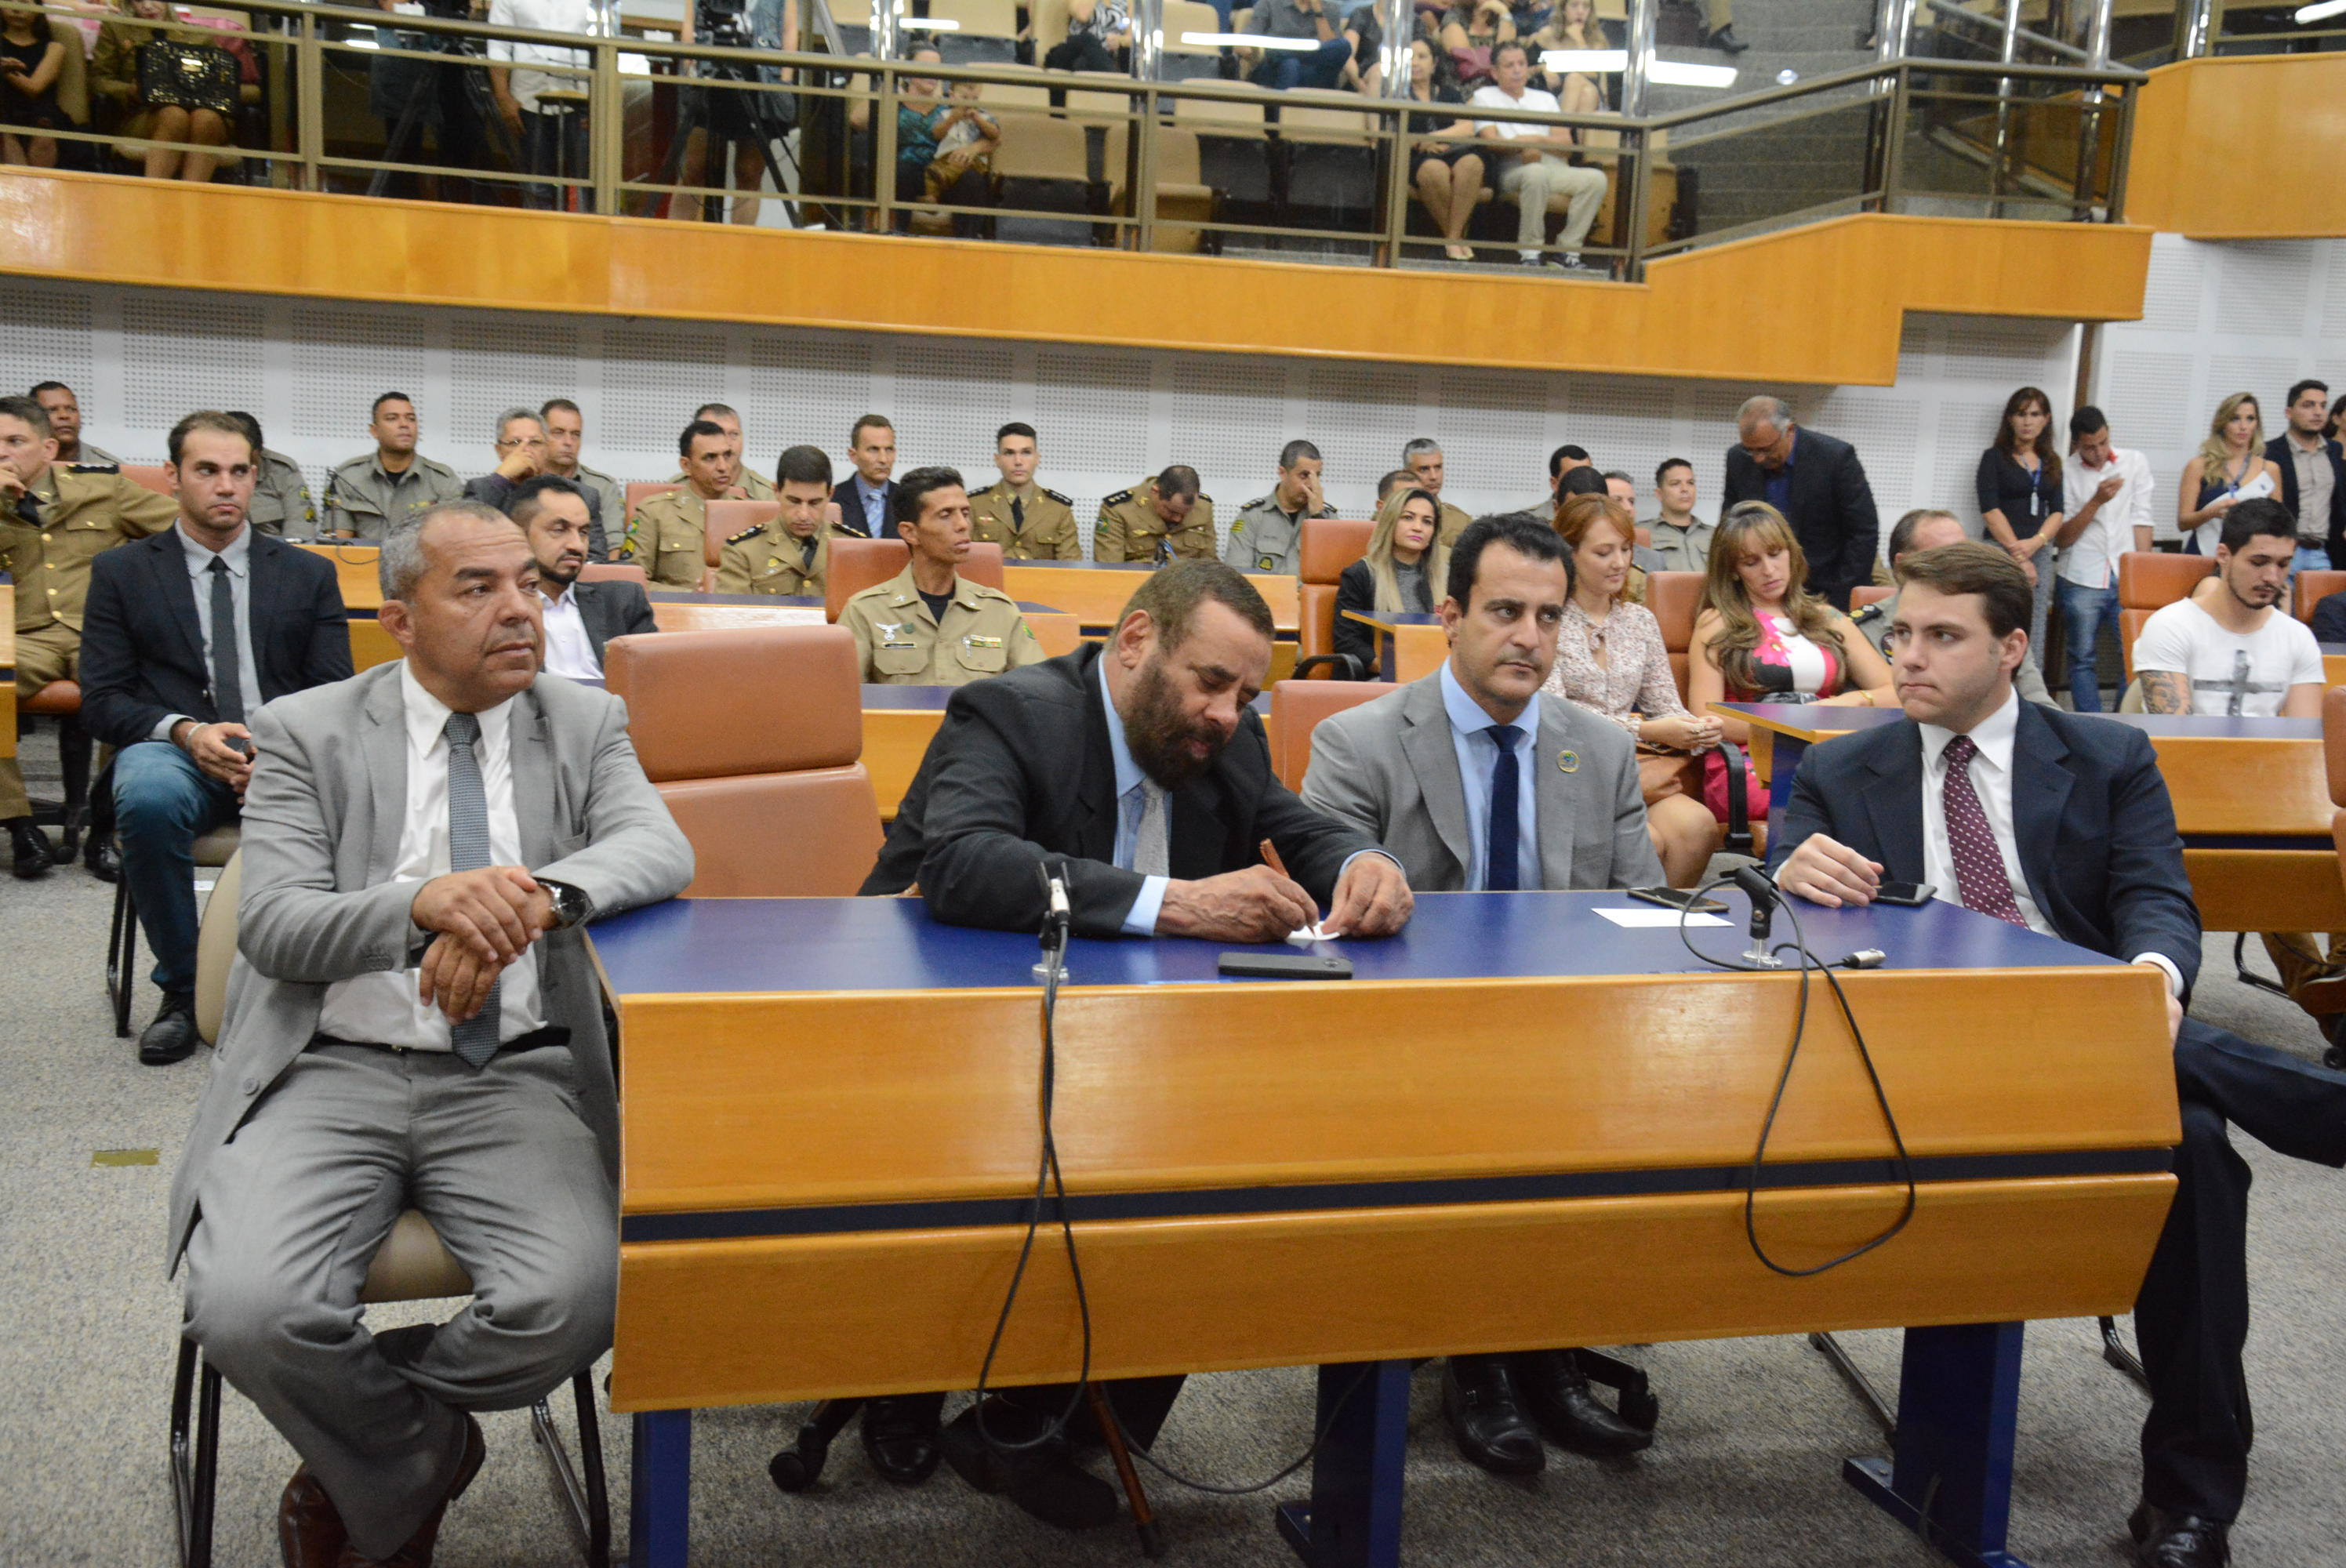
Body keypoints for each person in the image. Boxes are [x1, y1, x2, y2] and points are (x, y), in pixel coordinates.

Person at [1767, 539, 2346, 1568]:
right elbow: (1770, 915)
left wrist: (2153, 981)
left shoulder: (2108, 756)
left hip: (2089, 1043)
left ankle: (2190, 1501)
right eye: (1901, 634)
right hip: (1921, 1053)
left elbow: (2156, 897)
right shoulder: (1841, 768)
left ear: (2010, 648)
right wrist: (1788, 875)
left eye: (1942, 636)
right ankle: (2319, 1107)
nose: (1908, 656)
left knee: (2196, 1151)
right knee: (2177, 1101)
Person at [171, 499, 693, 1568]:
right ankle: (421, 1452)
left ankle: (373, 1439)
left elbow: (658, 848)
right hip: (330, 1069)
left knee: (581, 1298)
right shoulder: (306, 729)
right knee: (247, 1310)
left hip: (516, 1077)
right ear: (400, 619)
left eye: (529, 586)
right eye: (479, 588)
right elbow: (275, 924)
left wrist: (532, 897)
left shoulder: (584, 720)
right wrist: (423, 906)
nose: (522, 610)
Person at [860, 559, 1408, 1530]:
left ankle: (1042, 1422)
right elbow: (964, 863)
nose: (1226, 713)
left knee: (1234, 1171)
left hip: (1124, 1047)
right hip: (944, 1034)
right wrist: (1177, 902)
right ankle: (907, 1378)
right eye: (1210, 681)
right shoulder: (1011, 713)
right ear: (1135, 642)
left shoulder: (1222, 738)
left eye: (1245, 694)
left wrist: (1363, 862)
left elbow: (1293, 824)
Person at [1302, 512, 1661, 1479]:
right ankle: (1483, 1360)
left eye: (1548, 616)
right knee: (1480, 1107)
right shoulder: (1357, 741)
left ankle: (1541, 1345)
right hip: (1411, 1043)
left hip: (1563, 1036)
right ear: (1451, 615)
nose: (1529, 637)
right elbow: (1328, 901)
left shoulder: (1601, 748)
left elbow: (1640, 915)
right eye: (1505, 612)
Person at [77, 412, 352, 1064]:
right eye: (207, 470)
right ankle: (184, 989)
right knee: (145, 795)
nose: (225, 486)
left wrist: (279, 756)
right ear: (173, 477)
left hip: (283, 755)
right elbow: (103, 701)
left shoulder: (308, 574)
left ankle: (313, 987)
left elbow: (335, 693)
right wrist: (186, 731)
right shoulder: (122, 572)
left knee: (370, 790)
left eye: (239, 471)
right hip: (177, 753)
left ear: (255, 477)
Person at [0, 392, 178, 878]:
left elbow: (183, 531)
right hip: (20, 638)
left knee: (136, 691)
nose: (3, 453)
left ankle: (107, 826)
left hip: (97, 634)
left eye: (15, 442)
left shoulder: (103, 489)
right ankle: (19, 825)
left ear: (48, 449)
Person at [1543, 492, 1723, 885]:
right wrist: (1647, 730)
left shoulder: (1639, 620)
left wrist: (1697, 728)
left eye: (1626, 549)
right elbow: (1555, 715)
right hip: (1568, 766)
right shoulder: (1546, 619)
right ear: (1569, 554)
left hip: (1632, 769)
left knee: (1698, 827)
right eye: (1604, 552)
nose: (1620, 562)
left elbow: (1666, 705)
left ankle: (1660, 922)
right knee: (1648, 844)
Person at [1690, 500, 1895, 754]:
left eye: (1775, 553)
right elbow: (1705, 718)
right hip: (1752, 753)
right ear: (1733, 571)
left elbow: (1897, 693)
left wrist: (1858, 700)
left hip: (1826, 750)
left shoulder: (1829, 618)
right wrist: (1795, 726)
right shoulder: (1715, 623)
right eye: (1751, 562)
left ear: (1791, 552)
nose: (1769, 570)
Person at [838, 466, 1048, 687]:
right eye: (946, 515)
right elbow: (842, 697)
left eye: (965, 513)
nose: (963, 525)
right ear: (910, 532)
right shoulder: (865, 611)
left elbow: (1039, 690)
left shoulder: (999, 611)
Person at [2133, 499, 2322, 720]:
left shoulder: (2298, 637)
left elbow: (2306, 733)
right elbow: (2172, 734)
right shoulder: (2170, 626)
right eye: (2258, 562)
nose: (2271, 577)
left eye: (2283, 564)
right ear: (2223, 556)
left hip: (2269, 745)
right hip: (2190, 743)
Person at [1854, 508, 2054, 706]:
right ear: (1902, 565)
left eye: (1965, 556)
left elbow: (2039, 702)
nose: (1959, 567)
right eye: (1942, 558)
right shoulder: (1861, 631)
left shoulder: (1993, 622)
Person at [1719, 394, 1879, 609]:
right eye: (1751, 450)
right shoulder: (1738, 459)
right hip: (1759, 594)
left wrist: (1841, 599)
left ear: (1790, 431)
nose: (1758, 458)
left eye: (1766, 449)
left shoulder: (1835, 458)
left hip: (1827, 590)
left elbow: (1863, 532)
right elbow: (1730, 528)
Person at [1471, 41, 1606, 272]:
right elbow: (1491, 141)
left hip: (1552, 164)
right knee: (1536, 173)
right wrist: (1524, 146)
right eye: (1510, 65)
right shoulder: (1484, 96)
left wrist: (1535, 141)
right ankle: (1531, 252)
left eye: (1522, 64)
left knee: (1596, 179)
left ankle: (1567, 251)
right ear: (1494, 72)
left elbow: (1566, 144)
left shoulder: (1545, 98)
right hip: (1511, 167)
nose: (1517, 70)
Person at [2054, 405, 2155, 713]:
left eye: (2103, 443)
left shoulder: (2134, 461)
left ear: (2108, 433)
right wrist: (2096, 501)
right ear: (2076, 444)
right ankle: (2090, 724)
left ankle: (2123, 722)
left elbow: (2142, 518)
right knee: (2081, 656)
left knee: (2137, 654)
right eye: (2089, 447)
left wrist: (2144, 574)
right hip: (2081, 575)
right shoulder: (2064, 471)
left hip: (2126, 571)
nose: (2098, 452)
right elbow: (2062, 537)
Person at [520, 475, 655, 681]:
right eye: (559, 530)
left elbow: (652, 680)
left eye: (583, 532)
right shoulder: (501, 610)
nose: (577, 545)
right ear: (520, 536)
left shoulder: (622, 602)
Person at [93, 0, 240, 182]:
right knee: (174, 116)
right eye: (138, 1)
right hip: (144, 112)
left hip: (202, 108)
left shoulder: (200, 35)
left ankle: (190, 194)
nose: (147, 6)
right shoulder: (116, 29)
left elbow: (224, 81)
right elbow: (98, 80)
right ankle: (155, 193)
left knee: (206, 119)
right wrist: (129, 90)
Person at [1974, 386, 2065, 670]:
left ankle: (2031, 684)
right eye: (2021, 414)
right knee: (1998, 617)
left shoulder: (2051, 461)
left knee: (2035, 621)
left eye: (2035, 415)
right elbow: (1990, 511)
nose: (2028, 422)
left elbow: (2058, 512)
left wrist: (2036, 543)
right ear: (2010, 419)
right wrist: (2020, 556)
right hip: (2000, 550)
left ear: (2046, 419)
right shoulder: (1994, 458)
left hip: (2038, 551)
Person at [464, 408, 611, 561]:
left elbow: (595, 560)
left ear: (546, 448)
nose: (526, 450)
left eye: (535, 442)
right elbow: (467, 543)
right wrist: (501, 477)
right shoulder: (482, 489)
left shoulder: (581, 495)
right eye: (515, 443)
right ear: (499, 451)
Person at [487, 0, 594, 212]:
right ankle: (539, 233)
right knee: (536, 188)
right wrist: (503, 96)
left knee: (589, 185)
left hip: (583, 99)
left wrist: (601, 101)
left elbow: (605, 40)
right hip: (527, 99)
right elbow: (498, 45)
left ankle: (589, 233)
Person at [1331, 485, 1447, 677]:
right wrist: (1394, 667)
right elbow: (1347, 641)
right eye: (1408, 518)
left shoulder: (1447, 577)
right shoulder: (1361, 574)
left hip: (1432, 675)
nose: (1418, 527)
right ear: (1390, 522)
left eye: (1427, 522)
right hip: (1377, 677)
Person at [323, 391, 465, 539]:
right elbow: (339, 546)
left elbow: (451, 541)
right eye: (392, 418)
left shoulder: (443, 480)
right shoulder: (348, 477)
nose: (404, 425)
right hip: (364, 555)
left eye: (411, 419)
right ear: (375, 431)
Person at [626, 419, 743, 589]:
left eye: (727, 456)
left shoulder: (748, 514)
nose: (723, 467)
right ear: (686, 466)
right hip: (676, 605)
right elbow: (632, 581)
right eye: (710, 458)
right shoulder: (654, 512)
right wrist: (691, 597)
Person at [1400, 38, 1487, 263]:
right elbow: (1395, 132)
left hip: (1453, 150)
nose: (1415, 63)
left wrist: (1431, 138)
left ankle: (1452, 239)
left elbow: (1468, 128)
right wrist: (1419, 143)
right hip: (1417, 156)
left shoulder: (1449, 93)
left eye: (1422, 57)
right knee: (1434, 170)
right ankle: (1457, 240)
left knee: (1472, 164)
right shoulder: (1397, 94)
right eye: (1410, 57)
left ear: (1434, 63)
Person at [717, 445, 833, 596]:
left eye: (814, 503)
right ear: (776, 491)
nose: (803, 515)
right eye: (794, 501)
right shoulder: (743, 551)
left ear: (830, 494)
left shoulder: (852, 549)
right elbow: (732, 610)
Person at [2177, 392, 2280, 557]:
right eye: (2235, 419)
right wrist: (2211, 512)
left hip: (2250, 558)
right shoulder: (2198, 466)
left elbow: (2278, 524)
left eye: (2250, 419)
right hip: (2203, 554)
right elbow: (2183, 522)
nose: (2243, 426)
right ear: (2222, 424)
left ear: (2257, 425)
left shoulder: (2269, 469)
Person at [969, 422, 1080, 561]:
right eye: (1009, 453)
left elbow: (1070, 567)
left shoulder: (1059, 510)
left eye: (1026, 452)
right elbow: (960, 561)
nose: (1018, 461)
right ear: (997, 460)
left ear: (1037, 458)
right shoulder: (974, 505)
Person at [1224, 438, 1338, 574]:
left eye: (1317, 476)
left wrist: (1318, 518)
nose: (1311, 485)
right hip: (1262, 589)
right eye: (1304, 475)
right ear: (1283, 473)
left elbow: (1333, 572)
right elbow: (1237, 576)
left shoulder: (1329, 519)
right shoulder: (1252, 516)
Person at [2267, 378, 2344, 574]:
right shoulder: (2270, 452)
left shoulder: (2334, 450)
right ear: (2289, 412)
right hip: (2283, 549)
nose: (2318, 412)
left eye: (2323, 406)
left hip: (2323, 551)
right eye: (2308, 405)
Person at [223, 412, 318, 537]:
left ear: (258, 451)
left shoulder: (282, 471)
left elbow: (300, 528)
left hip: (272, 547)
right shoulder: (203, 474)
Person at [1095, 466, 1215, 564]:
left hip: (1188, 584)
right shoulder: (1119, 509)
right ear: (1155, 492)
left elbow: (1210, 566)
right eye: (1172, 511)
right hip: (1136, 583)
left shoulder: (1204, 508)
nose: (1178, 519)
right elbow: (1110, 568)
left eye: (1186, 513)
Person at [539, 398, 623, 532]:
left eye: (575, 435)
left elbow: (614, 540)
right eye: (558, 433)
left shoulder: (603, 487)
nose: (568, 442)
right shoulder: (524, 480)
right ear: (540, 436)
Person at [0, 3, 66, 168]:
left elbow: (34, 89)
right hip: (4, 109)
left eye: (24, 2)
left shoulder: (54, 48)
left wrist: (5, 71)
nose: (16, 9)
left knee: (44, 126)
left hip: (41, 113)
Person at [668, 402, 776, 501]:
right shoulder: (673, 488)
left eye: (734, 434)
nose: (726, 443)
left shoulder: (768, 495)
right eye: (714, 433)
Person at [1251, 0, 1353, 91]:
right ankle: (1282, 107)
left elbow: (1330, 48)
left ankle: (1280, 54)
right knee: (1291, 64)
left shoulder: (1331, 8)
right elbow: (1246, 42)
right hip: (1274, 69)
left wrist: (1318, 12)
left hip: (1313, 71)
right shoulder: (1269, 3)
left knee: (1343, 45)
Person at [1401, 435, 1476, 543]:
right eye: (1424, 469)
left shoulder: (1461, 522)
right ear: (1407, 474)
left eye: (1438, 467)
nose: (1433, 476)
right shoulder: (1390, 516)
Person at [1643, 457, 1712, 572]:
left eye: (1691, 483)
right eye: (1675, 484)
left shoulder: (1715, 535)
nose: (1685, 489)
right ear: (1659, 494)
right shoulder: (1643, 533)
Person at [834, 412, 897, 538]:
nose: (883, 459)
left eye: (889, 449)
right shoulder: (833, 499)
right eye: (873, 449)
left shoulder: (909, 501)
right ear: (853, 455)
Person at [29, 381, 121, 466]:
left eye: (71, 409)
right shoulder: (22, 464)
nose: (64, 415)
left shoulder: (110, 468)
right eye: (52, 410)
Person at [1043, 0, 1128, 74]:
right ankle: (1113, 81)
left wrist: (1121, 40)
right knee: (1088, 39)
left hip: (1104, 56)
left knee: (1082, 64)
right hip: (1072, 51)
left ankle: (1110, 79)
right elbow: (1083, 15)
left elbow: (1131, 37)